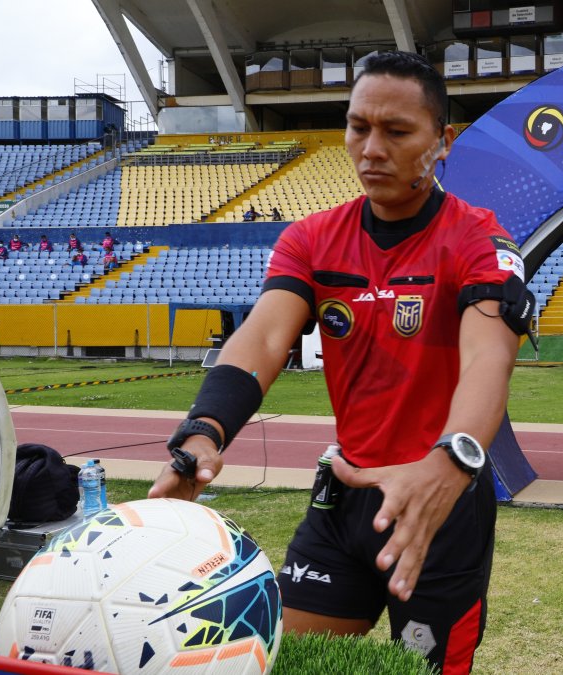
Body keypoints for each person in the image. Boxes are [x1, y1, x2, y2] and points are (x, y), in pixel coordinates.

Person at [147, 50, 532, 674]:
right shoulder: (311, 238)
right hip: (343, 499)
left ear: (443, 141)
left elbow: (489, 359)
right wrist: (204, 432)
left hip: (438, 498)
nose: (371, 149)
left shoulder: (478, 241)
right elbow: (264, 340)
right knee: (284, 660)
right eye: (358, 127)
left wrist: (451, 462)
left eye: (397, 131)